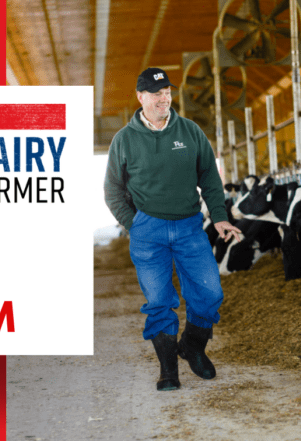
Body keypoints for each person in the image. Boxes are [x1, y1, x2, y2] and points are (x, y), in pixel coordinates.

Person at [104, 67, 241, 391]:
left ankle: (192, 346)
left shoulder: (190, 131)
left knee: (210, 292)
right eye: (156, 93)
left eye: (167, 92)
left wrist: (219, 215)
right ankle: (168, 370)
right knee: (159, 300)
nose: (164, 98)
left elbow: (208, 176)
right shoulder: (124, 140)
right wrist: (134, 223)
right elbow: (112, 190)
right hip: (147, 230)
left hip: (189, 227)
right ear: (141, 97)